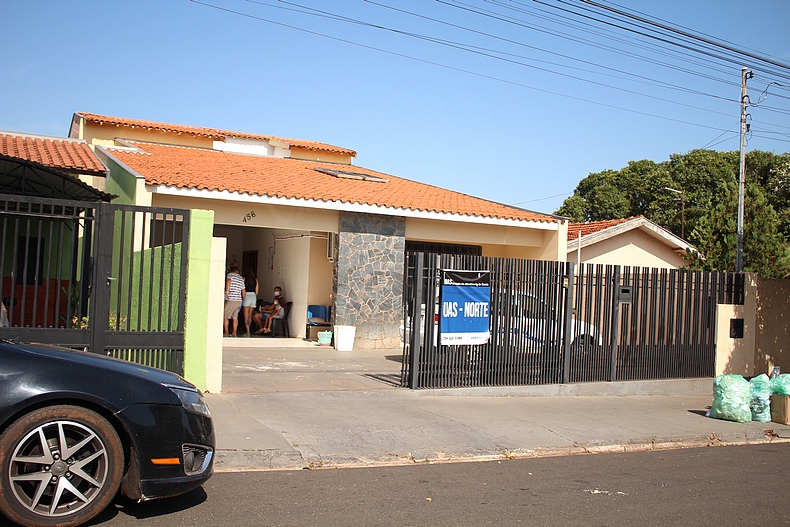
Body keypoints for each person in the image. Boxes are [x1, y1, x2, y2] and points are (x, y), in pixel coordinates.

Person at [223, 266, 245, 337]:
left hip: (231, 299)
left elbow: (228, 281)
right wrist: (242, 298)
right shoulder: (241, 278)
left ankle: (226, 332)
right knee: (235, 317)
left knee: (226, 316)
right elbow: (243, 290)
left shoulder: (230, 275)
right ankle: (234, 332)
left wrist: (227, 291)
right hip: (238, 300)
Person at [241, 268, 259, 336]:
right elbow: (256, 292)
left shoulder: (244, 279)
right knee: (250, 315)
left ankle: (247, 331)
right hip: (253, 296)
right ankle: (249, 330)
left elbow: (243, 290)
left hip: (247, 296)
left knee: (246, 316)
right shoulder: (256, 280)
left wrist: (243, 297)